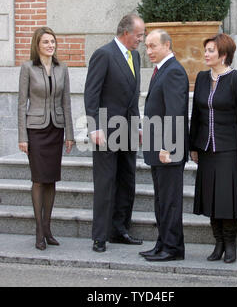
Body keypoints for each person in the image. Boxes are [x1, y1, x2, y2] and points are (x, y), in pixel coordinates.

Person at [189, 33, 237, 263]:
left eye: (211, 51)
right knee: (211, 199)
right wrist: (193, 146)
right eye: (205, 50)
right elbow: (196, 115)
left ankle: (230, 244)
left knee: (227, 200)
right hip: (206, 149)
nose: (206, 54)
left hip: (230, 149)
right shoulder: (202, 78)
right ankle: (217, 243)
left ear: (223, 54)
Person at [84, 14, 145, 253]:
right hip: (106, 131)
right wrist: (94, 127)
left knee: (126, 181)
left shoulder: (136, 56)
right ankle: (100, 236)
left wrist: (138, 125)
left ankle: (120, 230)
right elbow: (91, 94)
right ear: (126, 32)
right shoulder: (104, 54)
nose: (142, 39)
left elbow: (133, 96)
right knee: (106, 183)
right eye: (139, 35)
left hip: (129, 129)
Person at [18, 26, 74, 250]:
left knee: (51, 179)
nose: (51, 45)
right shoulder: (27, 68)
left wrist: (69, 133)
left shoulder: (62, 68)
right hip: (36, 130)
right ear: (37, 45)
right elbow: (22, 104)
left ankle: (48, 228)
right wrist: (22, 136)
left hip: (56, 128)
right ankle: (39, 230)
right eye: (46, 42)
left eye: (53, 41)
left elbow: (66, 102)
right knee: (39, 179)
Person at [140, 29, 189, 262]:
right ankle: (162, 243)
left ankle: (173, 248)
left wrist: (168, 146)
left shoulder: (174, 72)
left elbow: (175, 112)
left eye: (153, 46)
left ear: (167, 45)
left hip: (167, 150)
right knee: (161, 200)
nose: (148, 51)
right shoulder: (162, 70)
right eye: (147, 46)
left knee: (169, 202)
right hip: (156, 147)